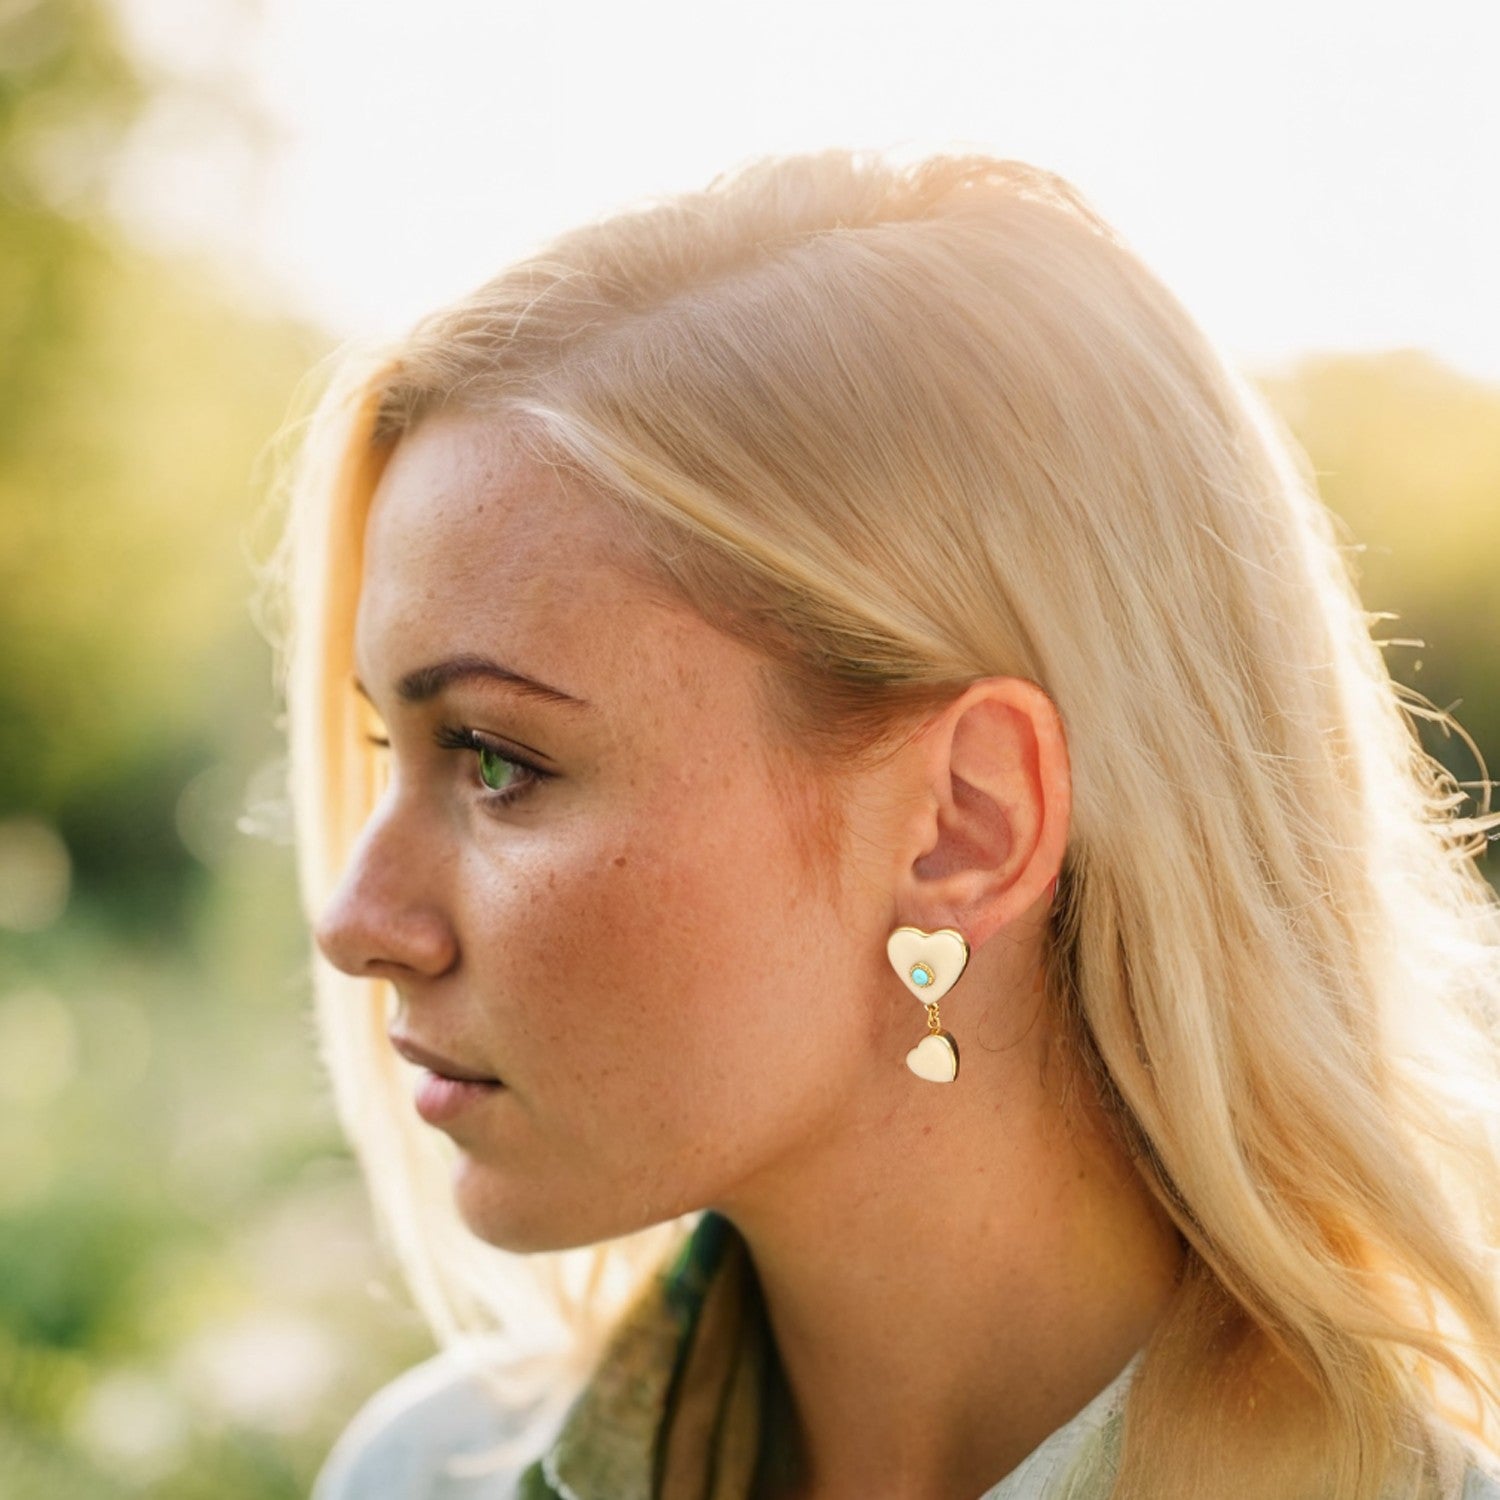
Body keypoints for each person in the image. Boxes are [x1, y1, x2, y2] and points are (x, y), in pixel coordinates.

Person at [260, 147, 1500, 1498]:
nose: (355, 922)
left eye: (498, 762)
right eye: (386, 746)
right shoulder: (424, 1474)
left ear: (964, 823)